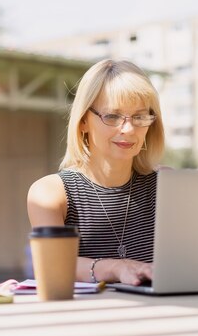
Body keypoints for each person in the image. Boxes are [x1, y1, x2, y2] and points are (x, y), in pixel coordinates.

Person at [27, 59, 165, 286]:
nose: (129, 129)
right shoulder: (50, 194)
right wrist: (115, 268)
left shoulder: (166, 187)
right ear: (83, 122)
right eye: (112, 116)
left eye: (139, 117)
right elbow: (51, 265)